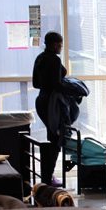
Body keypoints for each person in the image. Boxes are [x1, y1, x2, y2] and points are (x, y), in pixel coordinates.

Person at [32, 31, 67, 186]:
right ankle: (47, 178)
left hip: (41, 100)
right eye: (60, 44)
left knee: (52, 137)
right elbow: (57, 84)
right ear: (54, 44)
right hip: (52, 103)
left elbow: (35, 83)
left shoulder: (40, 58)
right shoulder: (54, 60)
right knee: (56, 139)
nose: (60, 47)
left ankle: (47, 177)